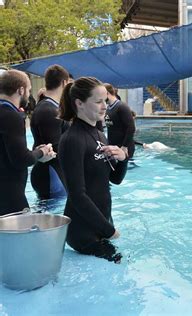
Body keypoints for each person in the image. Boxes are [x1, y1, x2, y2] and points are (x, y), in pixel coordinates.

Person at [58, 77, 128, 263]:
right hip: (82, 231)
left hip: (101, 222)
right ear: (79, 103)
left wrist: (122, 159)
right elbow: (77, 195)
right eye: (98, 101)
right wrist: (109, 230)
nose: (104, 106)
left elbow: (114, 179)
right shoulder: (72, 140)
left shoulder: (98, 134)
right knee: (121, 264)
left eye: (105, 100)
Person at [0, 69, 56, 216]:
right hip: (9, 197)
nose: (29, 94)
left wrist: (35, 153)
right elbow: (21, 159)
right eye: (29, 90)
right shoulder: (11, 115)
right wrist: (42, 152)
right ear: (21, 89)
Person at [30, 64, 71, 199]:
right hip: (51, 176)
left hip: (52, 173)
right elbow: (54, 148)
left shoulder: (49, 107)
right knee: (51, 217)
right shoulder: (49, 110)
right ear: (64, 82)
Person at [104, 83, 136, 159]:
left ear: (107, 93)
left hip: (124, 148)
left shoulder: (121, 107)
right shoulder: (108, 108)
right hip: (114, 147)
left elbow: (131, 128)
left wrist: (124, 146)